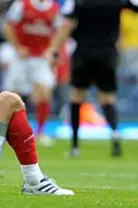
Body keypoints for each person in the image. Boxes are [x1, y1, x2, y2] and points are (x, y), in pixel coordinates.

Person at [47, 0, 138, 157]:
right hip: (107, 54)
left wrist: (55, 51)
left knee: (77, 97)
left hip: (83, 53)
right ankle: (115, 135)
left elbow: (67, 24)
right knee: (108, 99)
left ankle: (75, 146)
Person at [4, 0, 61, 146]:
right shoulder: (22, 5)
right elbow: (7, 26)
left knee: (44, 92)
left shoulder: (54, 8)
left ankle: (40, 132)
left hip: (41, 59)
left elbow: (59, 31)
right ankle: (5, 131)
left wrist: (52, 50)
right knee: (13, 95)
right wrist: (17, 47)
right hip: (22, 58)